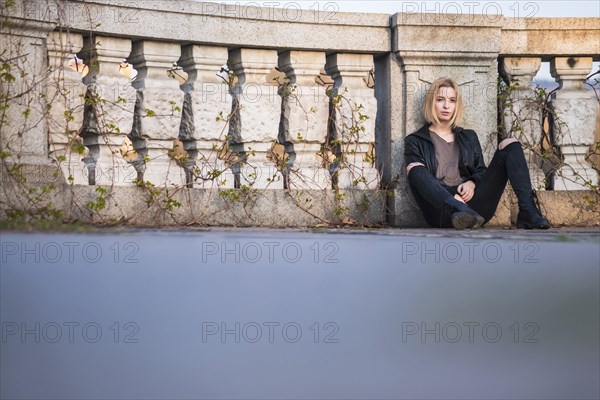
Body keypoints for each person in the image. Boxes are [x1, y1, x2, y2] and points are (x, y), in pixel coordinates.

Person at [404, 77, 550, 230]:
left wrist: (472, 183)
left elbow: (480, 170)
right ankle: (459, 209)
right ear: (431, 103)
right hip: (440, 210)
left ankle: (528, 211)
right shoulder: (415, 140)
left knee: (510, 144)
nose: (446, 106)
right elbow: (421, 180)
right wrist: (453, 198)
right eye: (440, 99)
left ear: (457, 105)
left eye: (452, 100)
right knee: (415, 168)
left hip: (475, 209)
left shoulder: (468, 137)